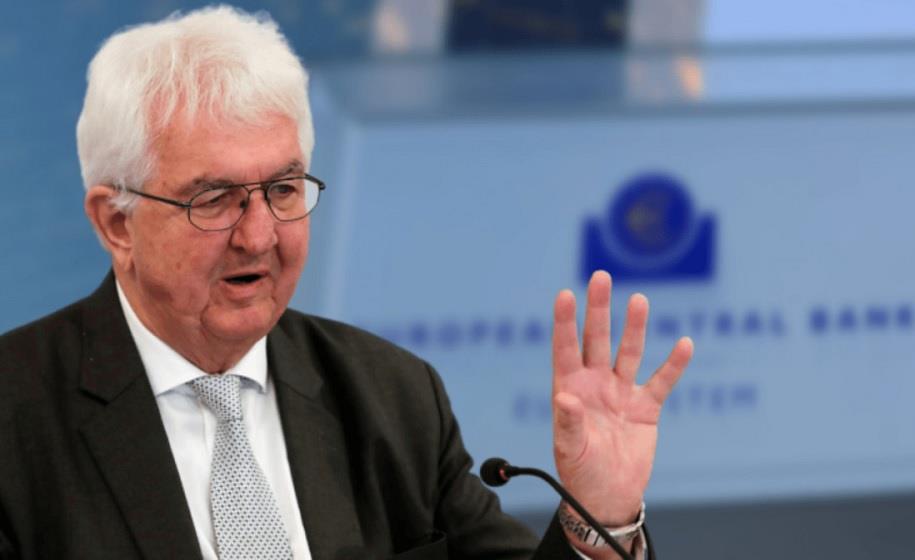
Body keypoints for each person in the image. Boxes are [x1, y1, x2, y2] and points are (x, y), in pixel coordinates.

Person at [0, 6, 692, 559]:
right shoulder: (15, 416)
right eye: (214, 199)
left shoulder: (392, 396)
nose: (259, 236)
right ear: (116, 223)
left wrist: (600, 521)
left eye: (282, 189)